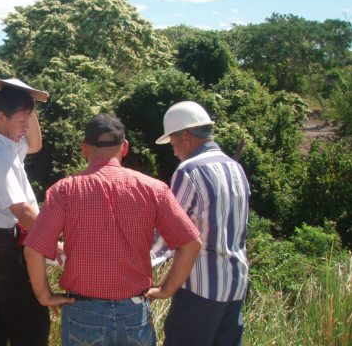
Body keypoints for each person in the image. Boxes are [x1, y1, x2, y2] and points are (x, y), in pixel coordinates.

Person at [24, 114, 202, 346]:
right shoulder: (154, 189)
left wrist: (44, 295)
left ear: (85, 148)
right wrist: (166, 290)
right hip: (134, 310)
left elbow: (34, 248)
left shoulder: (64, 191)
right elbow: (191, 243)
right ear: (124, 147)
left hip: (82, 310)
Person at [0, 85, 61, 346]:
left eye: (29, 120)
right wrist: (54, 243)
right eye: (22, 121)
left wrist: (28, 101)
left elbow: (35, 145)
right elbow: (22, 210)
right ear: (1, 117)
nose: (26, 127)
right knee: (30, 325)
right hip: (8, 248)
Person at [152, 101, 250, 346]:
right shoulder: (236, 168)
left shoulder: (189, 170)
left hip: (201, 288)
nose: (174, 152)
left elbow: (169, 231)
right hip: (236, 285)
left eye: (173, 144)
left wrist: (135, 260)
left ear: (185, 137)